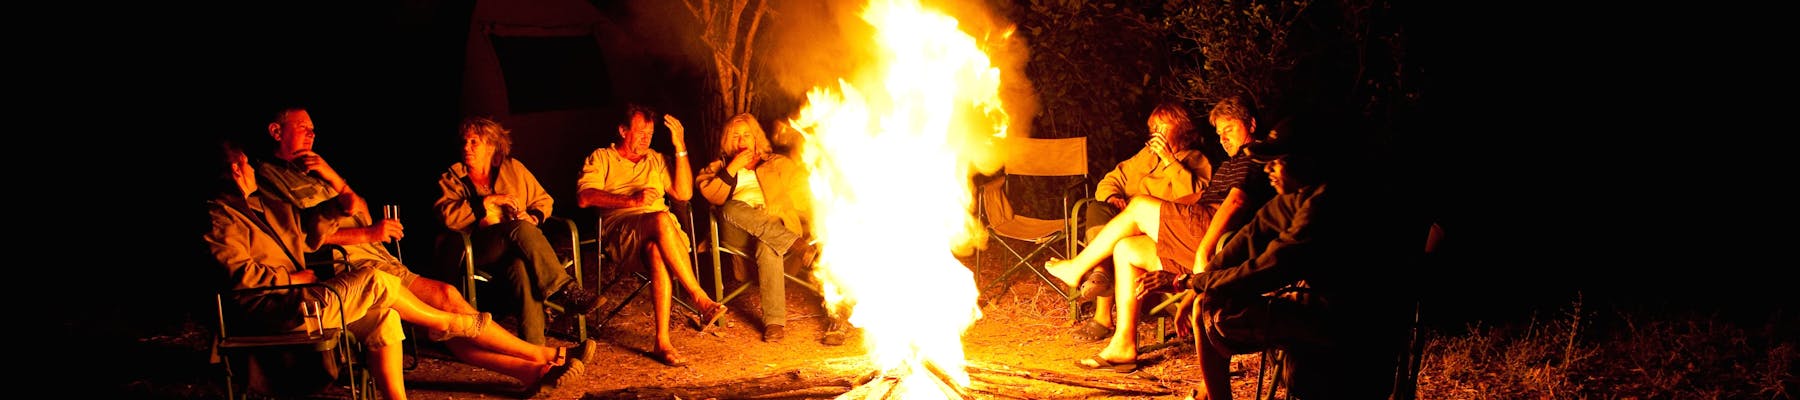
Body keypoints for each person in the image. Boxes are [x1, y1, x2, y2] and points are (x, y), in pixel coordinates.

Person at [205, 139, 584, 399]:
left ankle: (530, 367)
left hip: (310, 291)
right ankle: (523, 350)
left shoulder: (261, 205)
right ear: (239, 169)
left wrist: (338, 198)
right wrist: (291, 276)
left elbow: (305, 231)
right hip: (282, 304)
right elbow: (240, 275)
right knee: (390, 286)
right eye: (303, 127)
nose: (312, 134)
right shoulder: (222, 218)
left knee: (386, 315)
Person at [1135, 119, 1412, 399]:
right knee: (1204, 302)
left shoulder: (1326, 202)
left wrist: (1190, 282)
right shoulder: (1297, 198)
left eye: (1276, 161)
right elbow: (1246, 241)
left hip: (1352, 319)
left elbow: (1269, 268)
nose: (1268, 169)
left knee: (1210, 310)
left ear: (1304, 161)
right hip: (1318, 305)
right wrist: (1196, 286)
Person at [1045, 94, 1275, 370]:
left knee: (1140, 206)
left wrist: (1204, 252)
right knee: (1126, 249)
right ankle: (1123, 345)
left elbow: (1234, 203)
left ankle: (1077, 267)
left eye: (1230, 129)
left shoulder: (1256, 156)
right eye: (1219, 132)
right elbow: (1199, 197)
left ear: (1250, 124)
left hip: (1217, 241)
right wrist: (1160, 210)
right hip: (1197, 230)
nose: (1223, 138)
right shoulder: (1230, 163)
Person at [576, 103, 728, 366]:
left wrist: (679, 145)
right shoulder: (601, 158)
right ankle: (699, 298)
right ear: (623, 131)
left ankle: (662, 342)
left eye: (650, 133)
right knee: (659, 217)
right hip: (622, 233)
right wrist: (632, 201)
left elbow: (684, 193)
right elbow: (584, 197)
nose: (646, 139)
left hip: (665, 237)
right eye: (640, 132)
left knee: (657, 248)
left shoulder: (656, 160)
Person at [433, 116, 604, 345]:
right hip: (476, 248)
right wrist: (487, 201)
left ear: (491, 145)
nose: (467, 147)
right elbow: (447, 217)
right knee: (518, 230)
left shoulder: (513, 169)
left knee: (521, 267)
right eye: (465, 142)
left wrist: (534, 217)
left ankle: (535, 352)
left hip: (515, 249)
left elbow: (543, 200)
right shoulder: (452, 178)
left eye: (475, 142)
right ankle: (565, 290)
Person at [1071, 101, 1216, 342]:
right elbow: (1110, 179)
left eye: (1163, 126)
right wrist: (1114, 196)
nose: (1156, 132)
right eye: (1153, 127)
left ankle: (1102, 316)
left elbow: (1192, 200)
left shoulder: (1195, 159)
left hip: (1159, 230)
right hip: (1125, 220)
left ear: (1182, 129)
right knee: (1098, 208)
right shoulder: (1145, 156)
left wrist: (1169, 161)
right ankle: (1100, 274)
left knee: (1119, 238)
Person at [695, 114, 819, 343]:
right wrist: (733, 167)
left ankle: (774, 322)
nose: (742, 140)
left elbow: (802, 195)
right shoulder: (719, 167)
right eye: (736, 136)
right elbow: (711, 194)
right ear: (728, 140)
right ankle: (794, 243)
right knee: (730, 207)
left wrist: (778, 210)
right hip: (737, 231)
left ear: (756, 138)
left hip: (774, 226)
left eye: (746, 135)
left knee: (767, 243)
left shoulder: (777, 163)